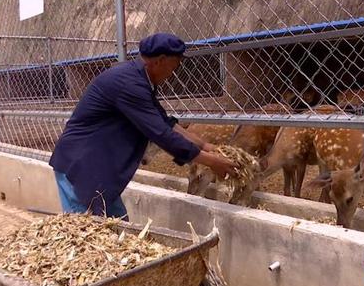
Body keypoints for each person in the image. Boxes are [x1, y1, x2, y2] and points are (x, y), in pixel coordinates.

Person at [49, 32, 238, 219]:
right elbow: (162, 134)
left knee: (120, 230)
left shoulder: (138, 79)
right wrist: (213, 162)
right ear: (160, 61)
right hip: (81, 168)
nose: (176, 69)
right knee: (91, 237)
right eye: (176, 63)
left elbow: (166, 123)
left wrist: (207, 147)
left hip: (96, 168)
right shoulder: (129, 84)